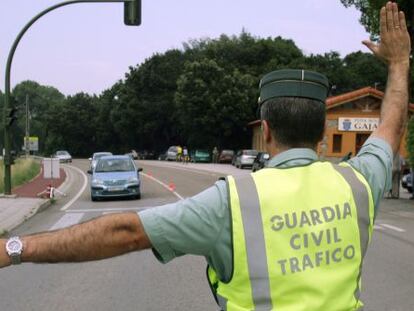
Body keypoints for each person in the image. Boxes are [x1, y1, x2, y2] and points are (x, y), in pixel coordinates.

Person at [0, 3, 410, 310]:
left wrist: (16, 247)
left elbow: (124, 232)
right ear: (323, 133)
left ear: (265, 132)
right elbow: (390, 127)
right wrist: (398, 63)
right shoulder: (359, 183)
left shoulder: (232, 201)